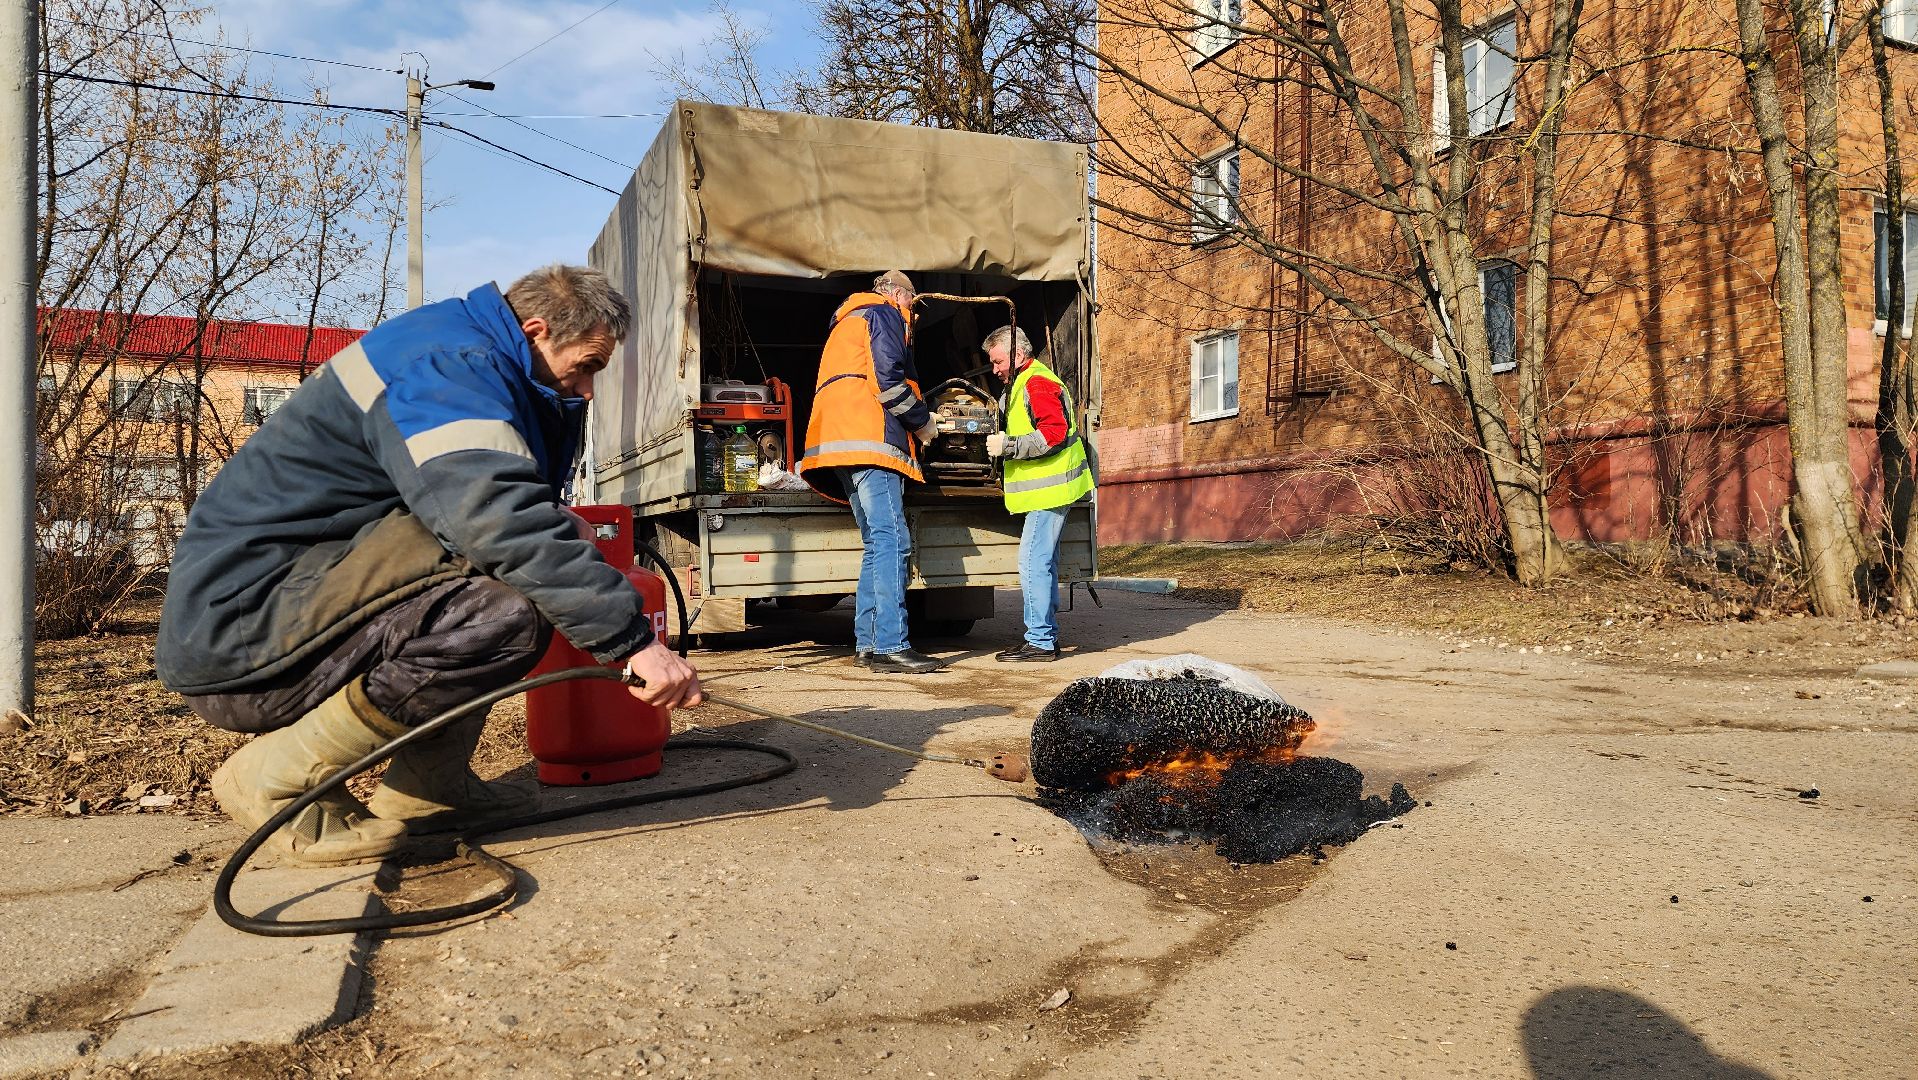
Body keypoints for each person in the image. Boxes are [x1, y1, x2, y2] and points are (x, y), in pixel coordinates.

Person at [155, 265, 704, 867]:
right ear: (536, 330)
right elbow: (495, 521)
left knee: (513, 579)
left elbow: (487, 507)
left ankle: (428, 787)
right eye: (588, 365)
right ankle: (277, 779)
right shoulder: (447, 365)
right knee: (503, 608)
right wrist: (634, 643)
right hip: (246, 644)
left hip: (275, 611)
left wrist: (552, 521)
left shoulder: (462, 352)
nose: (589, 390)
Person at [795, 270, 943, 674]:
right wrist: (922, 422)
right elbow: (888, 380)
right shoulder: (884, 313)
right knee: (893, 541)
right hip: (870, 441)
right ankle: (892, 645)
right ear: (897, 293)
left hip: (839, 444)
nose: (913, 310)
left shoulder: (849, 320)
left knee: (876, 544)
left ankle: (868, 643)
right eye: (912, 300)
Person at [983, 325, 1096, 662]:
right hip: (1049, 490)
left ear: (1017, 355)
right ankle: (1044, 637)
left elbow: (1054, 434)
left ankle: (1041, 641)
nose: (995, 369)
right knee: (1043, 562)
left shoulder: (1037, 382)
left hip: (1052, 490)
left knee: (1033, 562)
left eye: (998, 361)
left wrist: (1009, 446)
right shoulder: (1024, 383)